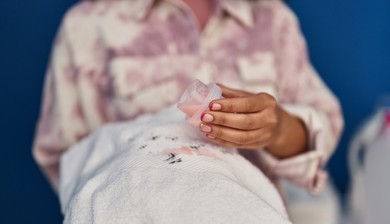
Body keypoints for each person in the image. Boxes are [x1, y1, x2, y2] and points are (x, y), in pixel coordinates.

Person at [33, 0, 343, 197]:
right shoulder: (89, 24)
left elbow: (325, 122)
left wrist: (278, 129)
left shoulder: (272, 19)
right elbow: (64, 158)